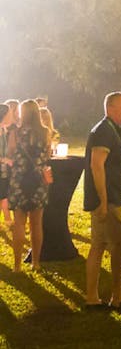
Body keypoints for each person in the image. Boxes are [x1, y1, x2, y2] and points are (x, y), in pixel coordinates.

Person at [83, 91, 121, 310]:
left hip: (108, 196)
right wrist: (103, 201)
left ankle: (92, 297)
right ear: (109, 108)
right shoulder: (104, 130)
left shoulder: (111, 130)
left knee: (99, 244)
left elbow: (106, 163)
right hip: (107, 198)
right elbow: (96, 166)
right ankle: (117, 293)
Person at [10, 98, 51, 271]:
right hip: (38, 181)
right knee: (36, 224)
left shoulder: (15, 133)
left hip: (19, 180)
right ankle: (35, 263)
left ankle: (17, 265)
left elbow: (11, 153)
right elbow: (48, 155)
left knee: (19, 222)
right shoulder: (45, 132)